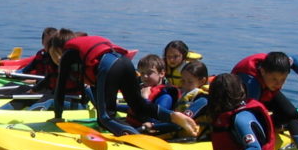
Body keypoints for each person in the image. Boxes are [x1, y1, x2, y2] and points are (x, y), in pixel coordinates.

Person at [49, 31, 198, 137]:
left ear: (57, 50)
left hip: (109, 66)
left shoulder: (68, 55)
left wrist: (57, 117)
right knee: (138, 105)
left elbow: (60, 89)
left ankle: (136, 138)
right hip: (124, 62)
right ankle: (174, 116)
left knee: (105, 118)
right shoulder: (80, 51)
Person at [232, 50, 298, 150]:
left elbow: (294, 60)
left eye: (283, 80)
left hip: (266, 88)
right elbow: (249, 115)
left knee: (292, 114)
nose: (279, 84)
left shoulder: (278, 66)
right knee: (255, 120)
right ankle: (271, 125)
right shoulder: (252, 83)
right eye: (274, 79)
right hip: (245, 96)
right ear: (262, 71)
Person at [125, 54, 177, 131]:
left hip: (148, 132)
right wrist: (112, 106)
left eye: (149, 73)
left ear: (161, 73)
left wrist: (145, 98)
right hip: (133, 126)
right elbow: (132, 108)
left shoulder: (165, 97)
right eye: (142, 73)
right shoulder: (142, 89)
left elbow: (157, 120)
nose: (145, 76)